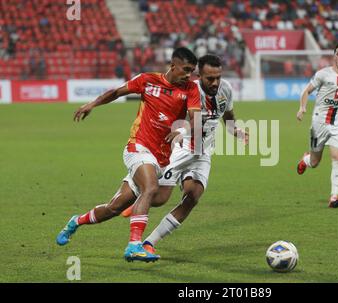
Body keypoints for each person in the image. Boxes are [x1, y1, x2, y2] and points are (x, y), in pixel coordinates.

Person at [56, 47, 201, 263]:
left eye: (192, 71)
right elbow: (116, 92)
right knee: (150, 188)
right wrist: (92, 104)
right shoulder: (147, 80)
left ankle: (75, 222)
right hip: (138, 147)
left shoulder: (190, 89)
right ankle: (134, 245)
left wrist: (181, 130)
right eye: (185, 70)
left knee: (114, 208)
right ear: (173, 66)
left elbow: (195, 119)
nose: (189, 75)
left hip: (161, 158)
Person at [120, 54, 249, 255]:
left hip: (203, 152)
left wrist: (237, 131)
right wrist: (180, 131)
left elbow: (229, 117)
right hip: (181, 148)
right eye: (210, 78)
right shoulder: (189, 90)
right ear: (199, 76)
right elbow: (180, 116)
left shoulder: (226, 89)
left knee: (193, 195)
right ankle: (133, 200)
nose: (215, 83)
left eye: (218, 77)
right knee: (159, 196)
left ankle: (149, 242)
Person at [296, 43, 338, 208]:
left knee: (337, 158)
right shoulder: (323, 74)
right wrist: (302, 108)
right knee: (315, 162)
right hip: (319, 123)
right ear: (334, 55)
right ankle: (305, 159)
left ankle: (334, 197)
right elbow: (306, 91)